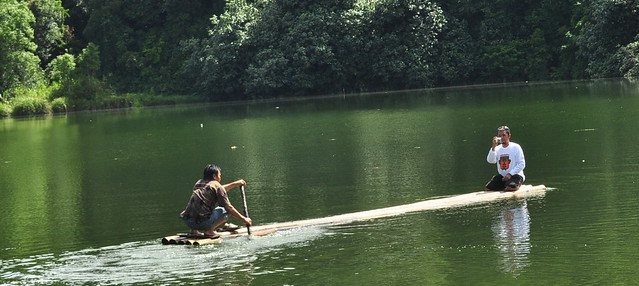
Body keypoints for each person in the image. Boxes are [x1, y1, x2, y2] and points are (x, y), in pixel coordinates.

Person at [180, 164, 252, 237]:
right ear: (214, 176)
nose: (220, 177)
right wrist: (244, 219)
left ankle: (193, 231)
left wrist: (235, 184)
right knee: (225, 209)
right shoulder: (217, 186)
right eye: (219, 175)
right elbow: (229, 208)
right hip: (202, 223)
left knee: (198, 208)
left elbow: (217, 189)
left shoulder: (199, 183)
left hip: (188, 222)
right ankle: (209, 231)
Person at [486, 126, 526, 191]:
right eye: (499, 136)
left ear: (509, 136)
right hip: (503, 177)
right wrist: (493, 147)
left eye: (504, 135)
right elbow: (490, 161)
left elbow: (521, 164)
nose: (502, 137)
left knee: (511, 187)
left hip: (515, 175)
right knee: (489, 188)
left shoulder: (516, 147)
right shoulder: (497, 148)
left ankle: (513, 185)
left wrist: (510, 174)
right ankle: (506, 185)